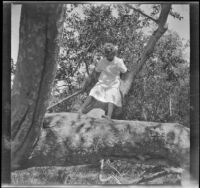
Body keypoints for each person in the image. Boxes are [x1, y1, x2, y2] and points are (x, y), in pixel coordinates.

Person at [78, 42, 128, 119]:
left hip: (113, 83)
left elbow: (124, 71)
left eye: (110, 54)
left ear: (113, 53)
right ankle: (81, 109)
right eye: (107, 55)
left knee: (111, 98)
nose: (108, 56)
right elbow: (96, 71)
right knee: (93, 93)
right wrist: (89, 82)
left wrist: (122, 81)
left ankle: (108, 116)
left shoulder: (119, 61)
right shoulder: (102, 61)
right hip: (102, 82)